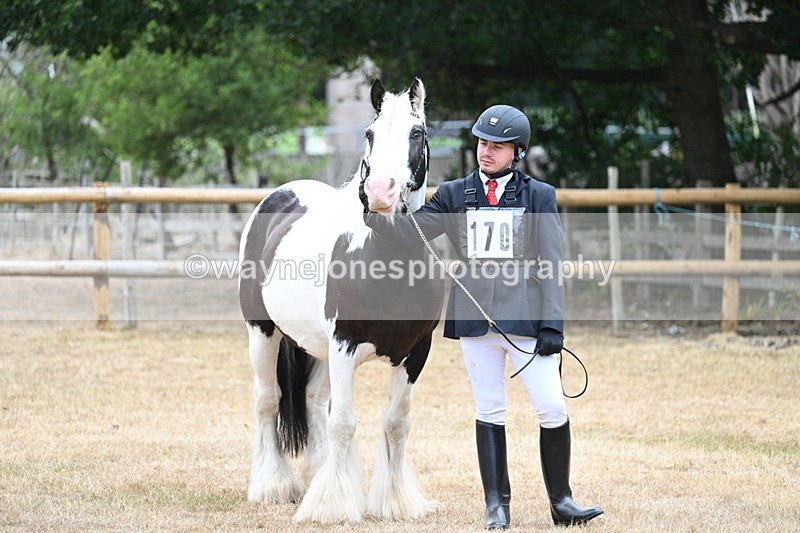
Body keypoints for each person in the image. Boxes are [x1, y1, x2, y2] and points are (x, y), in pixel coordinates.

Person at [364, 105, 603, 528]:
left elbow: (551, 266)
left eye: (497, 146)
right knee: (490, 410)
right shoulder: (455, 194)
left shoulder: (538, 196)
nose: (486, 152)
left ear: (518, 151)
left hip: (527, 321)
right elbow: (410, 234)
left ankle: (561, 501)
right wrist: (377, 211)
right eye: (482, 143)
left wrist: (553, 325)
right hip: (476, 321)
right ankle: (497, 506)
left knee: (551, 407)